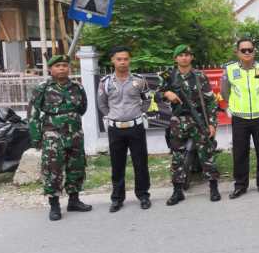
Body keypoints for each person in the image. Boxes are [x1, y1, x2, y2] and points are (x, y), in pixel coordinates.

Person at [28, 55, 92, 221]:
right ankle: (54, 205)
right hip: (53, 135)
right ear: (51, 69)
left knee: (76, 166)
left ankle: (74, 200)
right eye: (58, 66)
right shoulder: (42, 88)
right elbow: (33, 114)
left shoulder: (77, 87)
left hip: (75, 133)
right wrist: (36, 137)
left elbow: (83, 108)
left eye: (65, 65)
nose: (62, 68)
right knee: (53, 169)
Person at [158, 44, 221, 205]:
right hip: (178, 121)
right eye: (181, 55)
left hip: (199, 120)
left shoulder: (200, 76)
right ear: (175, 58)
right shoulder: (169, 77)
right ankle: (177, 191)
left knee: (207, 154)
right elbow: (156, 95)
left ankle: (213, 188)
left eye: (187, 55)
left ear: (191, 57)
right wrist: (166, 93)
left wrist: (212, 124)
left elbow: (211, 102)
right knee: (177, 157)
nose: (184, 57)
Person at [97, 46, 152, 212]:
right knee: (117, 164)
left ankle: (143, 195)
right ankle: (117, 198)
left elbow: (147, 99)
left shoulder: (139, 80)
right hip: (116, 130)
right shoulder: (105, 82)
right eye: (119, 59)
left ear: (129, 60)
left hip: (135, 127)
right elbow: (102, 104)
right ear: (112, 61)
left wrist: (139, 113)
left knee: (140, 163)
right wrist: (113, 115)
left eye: (125, 59)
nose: (122, 62)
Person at [221, 38, 259, 199]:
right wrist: (234, 107)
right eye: (243, 50)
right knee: (240, 153)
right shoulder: (230, 70)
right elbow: (225, 92)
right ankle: (240, 185)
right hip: (240, 119)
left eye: (249, 50)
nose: (246, 53)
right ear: (237, 52)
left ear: (254, 51)